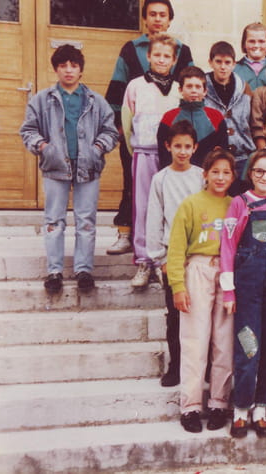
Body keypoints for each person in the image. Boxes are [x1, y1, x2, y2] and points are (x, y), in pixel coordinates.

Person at [20, 44, 118, 293]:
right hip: (55, 167)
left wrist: (97, 148)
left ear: (81, 70)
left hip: (88, 167)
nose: (68, 70)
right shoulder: (42, 100)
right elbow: (28, 130)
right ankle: (54, 271)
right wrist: (44, 147)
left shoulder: (96, 101)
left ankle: (84, 270)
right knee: (54, 219)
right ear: (56, 69)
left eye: (73, 65)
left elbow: (110, 131)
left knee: (86, 220)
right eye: (63, 65)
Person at [104, 0, 193, 256]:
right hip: (138, 135)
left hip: (171, 139)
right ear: (145, 19)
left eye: (162, 14)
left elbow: (190, 85)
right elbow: (118, 85)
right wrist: (118, 126)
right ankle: (126, 234)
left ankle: (167, 246)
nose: (157, 19)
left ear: (169, 19)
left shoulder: (182, 50)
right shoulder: (131, 49)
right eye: (152, 14)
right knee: (133, 188)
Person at [220, 150, 266, 438]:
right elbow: (227, 247)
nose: (265, 177)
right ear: (250, 173)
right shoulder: (239, 204)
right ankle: (241, 409)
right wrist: (229, 291)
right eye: (259, 171)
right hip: (247, 285)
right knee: (248, 344)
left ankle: (261, 409)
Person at [167, 149, 235, 433]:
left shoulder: (236, 205)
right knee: (195, 339)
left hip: (227, 273)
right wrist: (178, 285)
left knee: (224, 341)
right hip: (197, 269)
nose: (220, 177)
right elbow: (176, 248)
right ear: (204, 174)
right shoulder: (191, 204)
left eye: (226, 172)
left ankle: (219, 402)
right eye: (215, 172)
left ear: (233, 177)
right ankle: (191, 406)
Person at [145, 120, 204, 387]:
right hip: (173, 256)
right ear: (168, 146)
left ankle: (202, 365)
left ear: (195, 148)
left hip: (199, 254)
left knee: (201, 314)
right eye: (177, 146)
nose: (182, 151)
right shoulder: (161, 179)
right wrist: (160, 258)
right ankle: (176, 365)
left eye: (187, 147)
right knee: (176, 314)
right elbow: (154, 218)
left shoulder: (201, 177)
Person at [121, 33, 181, 288]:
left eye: (167, 56)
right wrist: (136, 150)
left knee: (170, 206)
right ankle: (145, 260)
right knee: (144, 207)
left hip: (172, 157)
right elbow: (126, 125)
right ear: (148, 56)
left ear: (174, 60)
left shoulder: (179, 88)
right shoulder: (136, 86)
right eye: (157, 55)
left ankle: (164, 260)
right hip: (144, 153)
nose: (161, 60)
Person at [156, 66, 228, 170]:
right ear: (180, 90)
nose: (194, 91)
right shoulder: (168, 118)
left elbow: (223, 152)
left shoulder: (216, 117)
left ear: (205, 91)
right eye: (189, 86)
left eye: (198, 87)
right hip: (177, 175)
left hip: (207, 175)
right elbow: (163, 154)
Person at [205, 41, 255, 181]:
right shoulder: (202, 87)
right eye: (218, 62)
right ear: (210, 62)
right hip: (212, 158)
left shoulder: (244, 88)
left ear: (234, 64)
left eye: (227, 62)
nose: (223, 67)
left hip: (242, 157)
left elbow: (252, 121)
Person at [234, 23, 266, 91]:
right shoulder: (234, 69)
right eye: (251, 41)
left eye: (261, 41)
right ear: (244, 44)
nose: (256, 45)